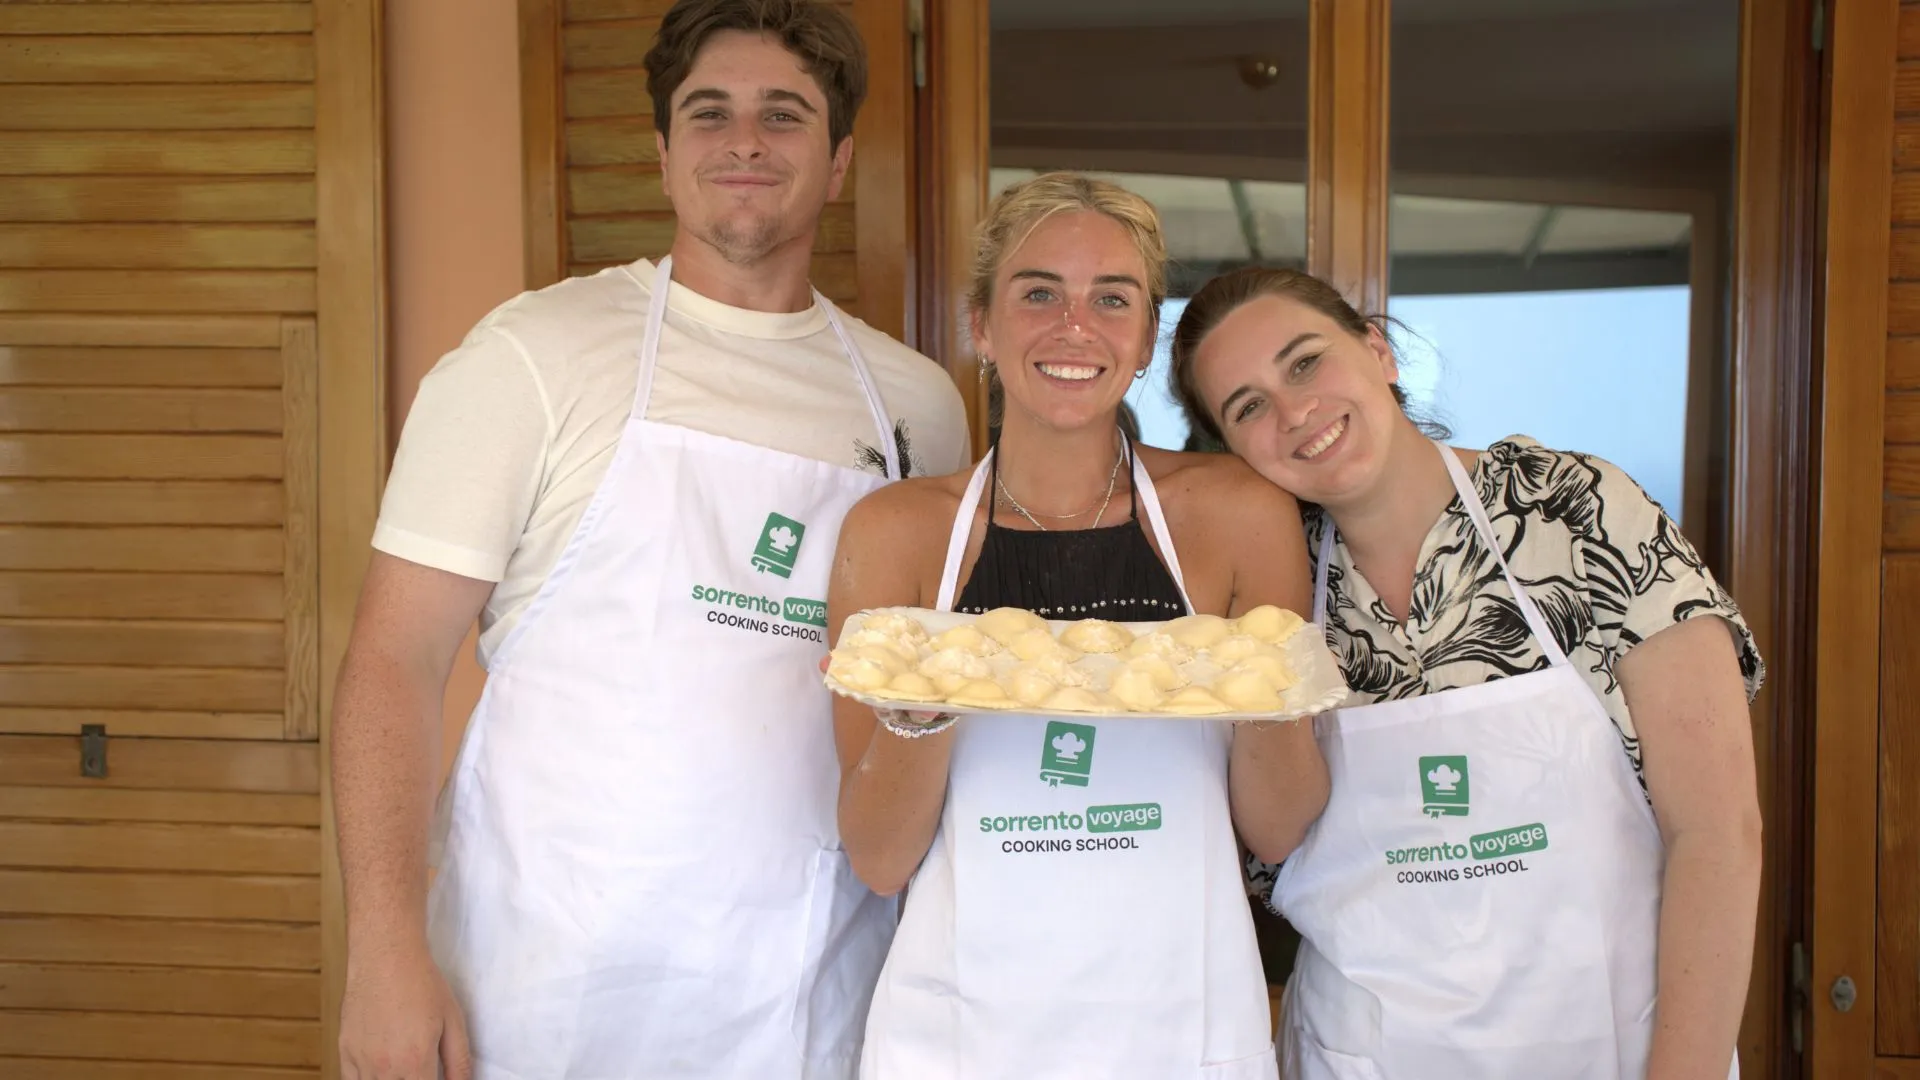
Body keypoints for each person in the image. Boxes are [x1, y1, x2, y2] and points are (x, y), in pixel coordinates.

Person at [330, 1, 971, 1077]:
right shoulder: (534, 357)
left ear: (840, 156)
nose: (746, 143)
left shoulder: (919, 406)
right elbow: (394, 661)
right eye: (709, 113)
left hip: (813, 976)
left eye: (785, 115)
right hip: (546, 972)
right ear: (665, 153)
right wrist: (384, 951)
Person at [1167, 266, 1764, 1079]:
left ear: (1379, 350)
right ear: (1231, 449)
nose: (1294, 411)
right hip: (1365, 1056)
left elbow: (1719, 831)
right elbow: (1274, 841)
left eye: (1306, 362)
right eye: (1247, 407)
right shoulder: (1279, 585)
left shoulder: (1571, 509)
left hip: (1611, 1048)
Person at [826, 173, 1330, 1080]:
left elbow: (1280, 829)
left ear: (1144, 338)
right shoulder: (899, 534)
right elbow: (877, 857)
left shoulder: (1236, 515)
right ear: (981, 324)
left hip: (1186, 1029)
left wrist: (1262, 688)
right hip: (956, 1040)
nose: (1074, 327)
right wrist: (921, 703)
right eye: (1038, 294)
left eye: (1112, 299)